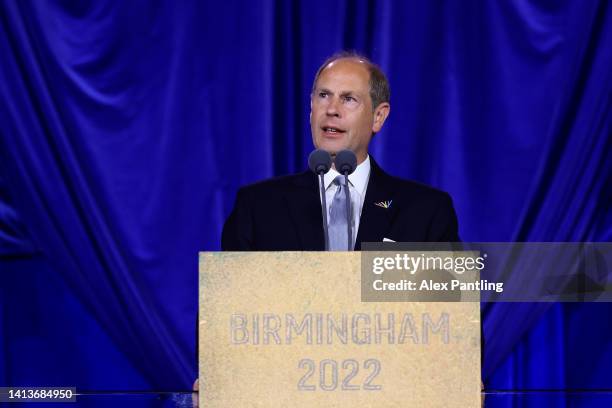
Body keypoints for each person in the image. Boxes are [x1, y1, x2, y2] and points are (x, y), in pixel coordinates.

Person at [222, 51, 460, 250]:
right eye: (324, 95)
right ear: (311, 108)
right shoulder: (258, 207)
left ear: (378, 116)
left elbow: (450, 303)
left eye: (348, 99)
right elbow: (222, 303)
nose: (332, 109)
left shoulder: (426, 211)